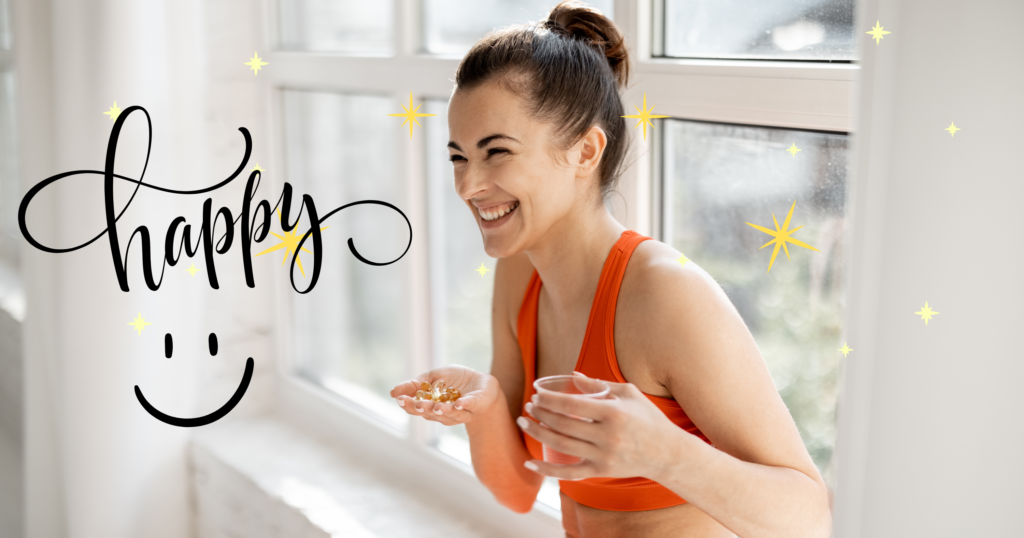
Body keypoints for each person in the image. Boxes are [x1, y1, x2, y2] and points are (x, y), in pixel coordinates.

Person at [390, 2, 833, 536]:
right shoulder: (520, 274)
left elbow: (809, 517)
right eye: (459, 156)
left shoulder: (666, 294)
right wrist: (484, 412)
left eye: (496, 152)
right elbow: (518, 489)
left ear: (585, 151)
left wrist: (667, 454)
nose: (467, 185)